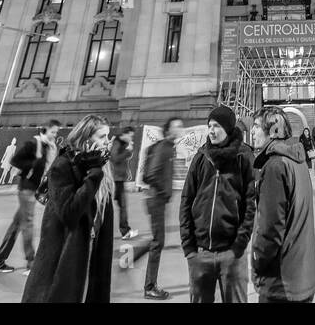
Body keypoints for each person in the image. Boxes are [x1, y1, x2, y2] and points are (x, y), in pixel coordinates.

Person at [22, 115, 115, 303]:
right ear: (85, 138)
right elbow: (69, 213)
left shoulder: (102, 166)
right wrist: (93, 174)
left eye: (108, 136)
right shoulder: (63, 165)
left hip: (91, 253)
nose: (107, 142)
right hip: (64, 256)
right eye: (101, 137)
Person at [181, 105, 256, 303]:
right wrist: (189, 248)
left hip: (232, 254)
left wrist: (239, 245)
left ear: (228, 129)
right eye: (209, 126)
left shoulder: (244, 157)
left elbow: (250, 203)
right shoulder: (201, 157)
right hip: (200, 253)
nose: (211, 131)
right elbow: (187, 200)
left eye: (216, 126)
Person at [249, 106, 315, 303]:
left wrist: (257, 263)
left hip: (281, 282)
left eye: (256, 126)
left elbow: (270, 230)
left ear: (273, 130)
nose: (251, 131)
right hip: (302, 276)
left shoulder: (275, 166)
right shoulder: (297, 161)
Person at [0, 120, 59, 274]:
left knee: (16, 225)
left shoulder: (50, 146)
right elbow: (15, 160)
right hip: (27, 188)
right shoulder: (34, 143)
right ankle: (31, 263)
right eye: (53, 132)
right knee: (28, 225)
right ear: (45, 130)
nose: (55, 135)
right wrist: (34, 164)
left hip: (33, 188)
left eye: (56, 132)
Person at [129, 117, 182, 300]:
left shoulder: (167, 146)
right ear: (168, 130)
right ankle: (149, 287)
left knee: (157, 239)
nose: (180, 129)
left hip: (157, 199)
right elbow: (151, 174)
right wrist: (163, 192)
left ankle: (131, 257)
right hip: (156, 199)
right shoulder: (165, 147)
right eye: (177, 126)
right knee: (158, 242)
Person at [109, 124, 140, 240]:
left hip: (118, 178)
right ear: (125, 134)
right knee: (122, 206)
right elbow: (115, 158)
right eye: (130, 136)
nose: (131, 139)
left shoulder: (120, 143)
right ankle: (125, 231)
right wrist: (127, 151)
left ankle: (125, 230)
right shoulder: (117, 143)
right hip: (116, 179)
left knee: (121, 205)